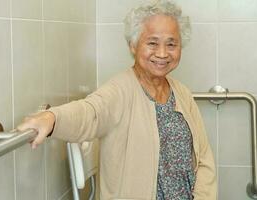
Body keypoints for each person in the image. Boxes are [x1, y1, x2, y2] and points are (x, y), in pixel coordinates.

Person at [18, 0, 216, 199]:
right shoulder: (119, 90)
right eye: (152, 43)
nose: (163, 53)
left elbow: (203, 158)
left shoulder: (182, 93)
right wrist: (52, 118)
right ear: (133, 45)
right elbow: (90, 113)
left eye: (171, 44)